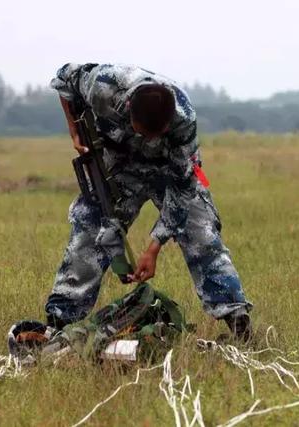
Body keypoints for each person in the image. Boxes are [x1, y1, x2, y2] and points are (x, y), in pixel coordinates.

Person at [44, 63, 253, 340]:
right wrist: (74, 130)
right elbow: (64, 78)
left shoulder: (184, 120)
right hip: (119, 169)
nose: (148, 139)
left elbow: (182, 188)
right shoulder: (103, 85)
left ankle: (237, 322)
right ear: (128, 109)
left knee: (201, 235)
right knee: (89, 232)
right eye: (142, 131)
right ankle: (57, 325)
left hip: (170, 173)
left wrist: (154, 246)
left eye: (156, 134)